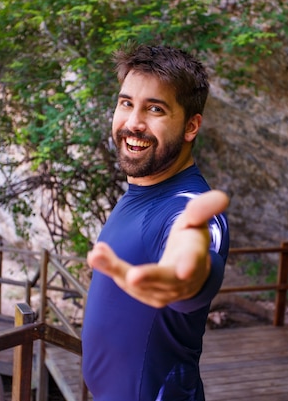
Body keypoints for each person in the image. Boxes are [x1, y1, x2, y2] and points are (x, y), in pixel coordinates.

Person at [81, 44, 230, 401]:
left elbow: (193, 255)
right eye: (126, 103)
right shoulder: (141, 189)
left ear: (191, 126)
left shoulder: (188, 206)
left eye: (155, 109)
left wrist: (185, 278)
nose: (133, 122)